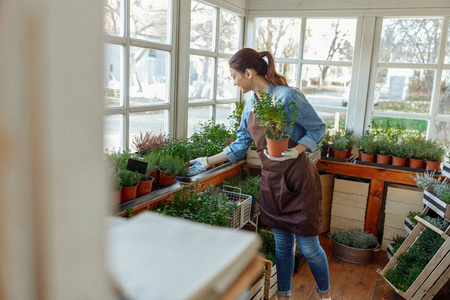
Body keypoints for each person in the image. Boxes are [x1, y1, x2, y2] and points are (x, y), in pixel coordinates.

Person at [188, 48, 330, 300]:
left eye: (234, 76)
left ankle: (324, 295)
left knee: (309, 248)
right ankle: (283, 295)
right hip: (272, 182)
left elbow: (318, 129)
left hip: (298, 179)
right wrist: (206, 161)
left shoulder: (288, 97)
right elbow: (241, 143)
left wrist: (297, 150)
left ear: (249, 73)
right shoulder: (251, 103)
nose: (233, 82)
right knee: (283, 247)